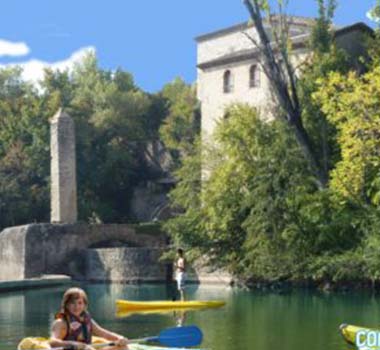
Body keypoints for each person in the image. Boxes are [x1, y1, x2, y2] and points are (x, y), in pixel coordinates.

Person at [50, 287, 128, 350]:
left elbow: (103, 333)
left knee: (123, 347)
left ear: (84, 305)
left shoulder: (86, 320)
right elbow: (52, 342)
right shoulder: (60, 323)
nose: (76, 307)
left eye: (80, 303)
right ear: (66, 305)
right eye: (72, 303)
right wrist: (74, 344)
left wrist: (120, 338)